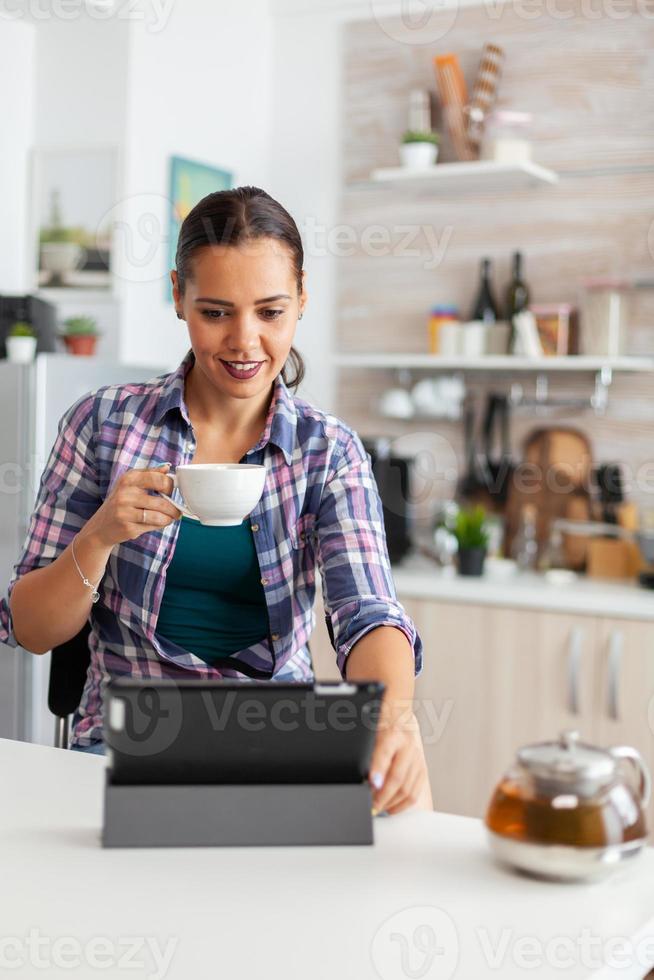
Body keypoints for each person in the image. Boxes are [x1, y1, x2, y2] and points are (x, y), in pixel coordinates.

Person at [1, 186, 432, 815]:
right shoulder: (102, 425)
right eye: (216, 312)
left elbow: (366, 611)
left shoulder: (329, 452)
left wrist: (392, 717)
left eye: (270, 312)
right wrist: (99, 536)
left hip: (282, 744)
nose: (244, 341)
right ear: (178, 296)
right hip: (126, 746)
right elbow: (29, 629)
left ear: (302, 299)